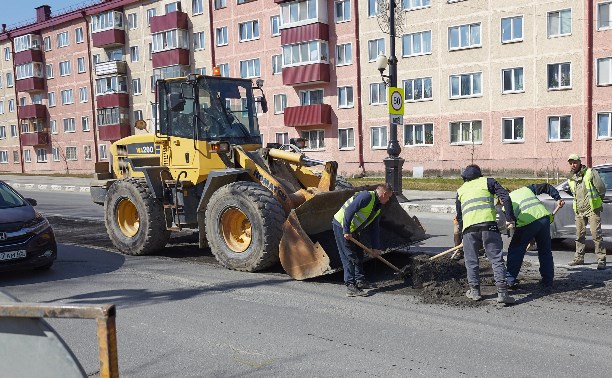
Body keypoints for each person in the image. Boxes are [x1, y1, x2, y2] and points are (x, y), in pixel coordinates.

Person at [456, 164, 516, 305]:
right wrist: (510, 218)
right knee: (496, 259)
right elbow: (505, 198)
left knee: (471, 261)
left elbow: (459, 216)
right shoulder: (488, 182)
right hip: (489, 227)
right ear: (479, 174)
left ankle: (475, 292)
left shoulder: (460, 190)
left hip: (469, 230)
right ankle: (502, 293)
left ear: (465, 177)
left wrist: (462, 232)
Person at [332, 183, 393, 297]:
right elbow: (349, 211)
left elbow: (374, 229)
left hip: (352, 229)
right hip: (341, 225)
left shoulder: (377, 207)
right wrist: (346, 231)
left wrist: (376, 247)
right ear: (384, 194)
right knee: (349, 256)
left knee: (359, 254)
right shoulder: (366, 197)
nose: (388, 199)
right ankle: (350, 285)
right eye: (389, 197)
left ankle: (360, 280)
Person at [505, 184, 565, 289]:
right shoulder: (525, 189)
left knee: (515, 250)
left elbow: (514, 225)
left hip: (527, 223)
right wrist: (558, 198)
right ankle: (548, 281)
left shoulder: (506, 203)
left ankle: (509, 280)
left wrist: (527, 238)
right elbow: (546, 187)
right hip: (544, 218)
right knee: (545, 251)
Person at [566, 154, 607, 270]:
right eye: (570, 163)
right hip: (579, 210)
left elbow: (601, 189)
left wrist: (597, 202)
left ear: (579, 162)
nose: (573, 165)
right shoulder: (570, 177)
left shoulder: (590, 172)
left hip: (592, 209)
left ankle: (601, 260)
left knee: (596, 235)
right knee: (579, 235)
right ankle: (579, 258)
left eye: (575, 162)